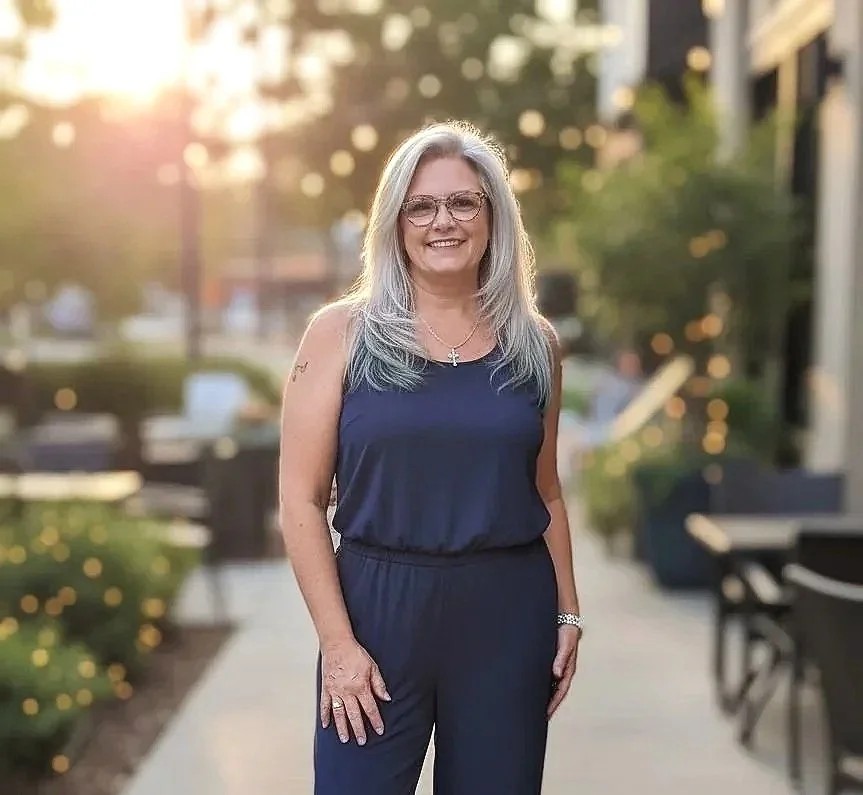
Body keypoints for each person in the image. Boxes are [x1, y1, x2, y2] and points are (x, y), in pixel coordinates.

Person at [279, 120, 583, 795]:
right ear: (395, 223)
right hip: (376, 611)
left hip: (507, 613)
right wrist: (337, 644)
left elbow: (548, 492)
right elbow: (299, 498)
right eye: (420, 205)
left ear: (492, 217)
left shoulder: (535, 344)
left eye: (462, 202)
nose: (441, 221)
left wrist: (566, 610)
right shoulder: (339, 334)